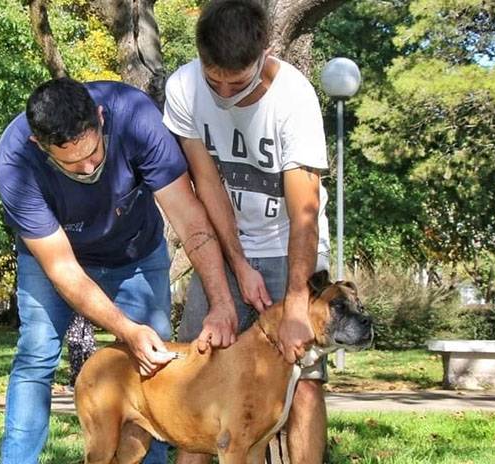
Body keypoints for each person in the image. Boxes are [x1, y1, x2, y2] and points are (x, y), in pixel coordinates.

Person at [0, 77, 238, 464]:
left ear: (101, 118)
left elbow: (191, 222)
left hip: (135, 253)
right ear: (39, 146)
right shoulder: (14, 162)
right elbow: (61, 267)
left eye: (94, 153)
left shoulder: (137, 118)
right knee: (36, 355)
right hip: (57, 259)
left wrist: (222, 301)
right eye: (72, 163)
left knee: (153, 363)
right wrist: (125, 329)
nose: (89, 167)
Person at [162, 1, 332, 463]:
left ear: (264, 53)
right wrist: (237, 265)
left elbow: (304, 212)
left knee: (304, 381)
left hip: (290, 247)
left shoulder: (295, 100)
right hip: (225, 243)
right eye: (213, 79)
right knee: (197, 373)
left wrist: (297, 302)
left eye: (235, 83)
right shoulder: (182, 87)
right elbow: (207, 182)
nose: (222, 92)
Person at [64, 312, 95, 392]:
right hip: (82, 309)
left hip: (78, 309)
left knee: (78, 342)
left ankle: (77, 380)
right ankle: (89, 378)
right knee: (84, 342)